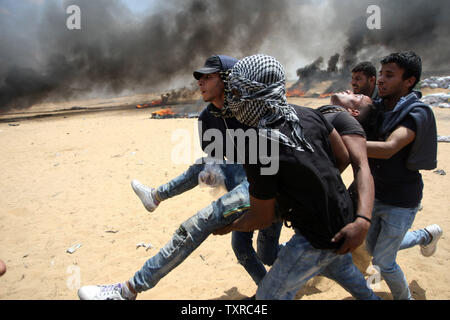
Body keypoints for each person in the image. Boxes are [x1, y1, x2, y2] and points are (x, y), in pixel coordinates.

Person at [77, 55, 282, 300]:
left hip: (267, 187)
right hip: (244, 181)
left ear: (228, 79)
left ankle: (125, 292)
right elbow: (216, 159)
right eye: (199, 78)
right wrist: (212, 175)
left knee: (226, 235)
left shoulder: (249, 108)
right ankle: (155, 196)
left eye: (209, 77)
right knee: (242, 246)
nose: (200, 82)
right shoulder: (207, 118)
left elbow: (273, 158)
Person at [213, 54, 379, 300]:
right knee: (354, 283)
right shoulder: (308, 114)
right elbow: (341, 157)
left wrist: (231, 226)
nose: (232, 99)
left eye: (236, 92)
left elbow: (263, 216)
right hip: (344, 222)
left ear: (253, 93)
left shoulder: (258, 144)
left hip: (314, 239)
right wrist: (311, 185)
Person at [333, 53, 442, 299]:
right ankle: (425, 235)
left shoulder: (417, 113)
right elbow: (337, 100)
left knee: (384, 261)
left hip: (401, 201)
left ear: (409, 81)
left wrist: (341, 142)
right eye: (381, 74)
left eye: (389, 75)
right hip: (376, 195)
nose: (381, 80)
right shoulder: (377, 107)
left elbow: (390, 148)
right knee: (371, 247)